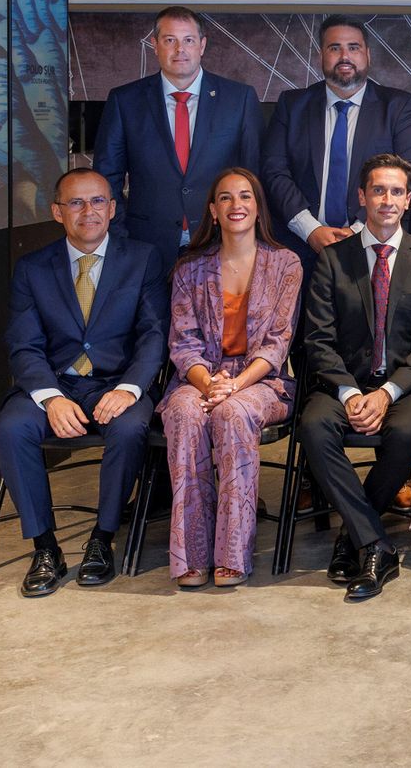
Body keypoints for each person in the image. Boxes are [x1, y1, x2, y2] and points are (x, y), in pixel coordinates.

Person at [0, 167, 167, 597]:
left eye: (97, 201)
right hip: (55, 383)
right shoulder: (32, 268)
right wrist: (50, 397)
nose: (87, 211)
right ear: (57, 212)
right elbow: (23, 344)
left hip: (116, 383)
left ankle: (102, 539)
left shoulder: (143, 258)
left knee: (130, 427)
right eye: (75, 202)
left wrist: (129, 389)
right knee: (11, 428)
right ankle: (45, 548)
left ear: (112, 209)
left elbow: (154, 335)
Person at [298, 154, 411, 601]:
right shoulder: (332, 259)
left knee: (403, 434)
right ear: (362, 197)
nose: (387, 200)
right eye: (378, 190)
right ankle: (375, 544)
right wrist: (349, 392)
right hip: (342, 382)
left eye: (396, 192)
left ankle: (353, 538)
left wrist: (386, 393)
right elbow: (318, 339)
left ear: (408, 200)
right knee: (314, 426)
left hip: (406, 385)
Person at [157, 169, 301, 588]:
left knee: (233, 414)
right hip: (200, 378)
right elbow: (183, 344)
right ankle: (191, 554)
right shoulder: (189, 269)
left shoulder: (285, 264)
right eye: (225, 198)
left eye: (245, 196)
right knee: (184, 413)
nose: (236, 205)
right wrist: (209, 384)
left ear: (258, 207)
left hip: (261, 383)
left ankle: (233, 555)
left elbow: (277, 344)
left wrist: (234, 387)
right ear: (213, 210)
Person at [93, 5, 263, 271]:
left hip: (221, 241)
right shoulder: (124, 100)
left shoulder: (239, 99)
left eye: (188, 40)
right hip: (145, 245)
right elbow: (106, 177)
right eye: (169, 40)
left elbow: (254, 175)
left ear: (202, 45)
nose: (179, 49)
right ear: (155, 45)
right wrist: (121, 234)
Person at [261, 14, 411, 266]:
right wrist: (310, 230)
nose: (344, 56)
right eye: (334, 48)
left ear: (367, 55)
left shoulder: (399, 107)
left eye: (353, 47)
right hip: (299, 248)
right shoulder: (292, 105)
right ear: (320, 56)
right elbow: (274, 171)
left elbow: (408, 173)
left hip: (376, 246)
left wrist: (359, 230)